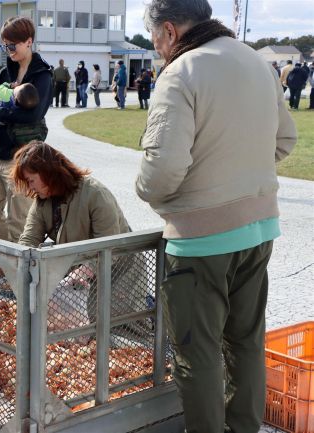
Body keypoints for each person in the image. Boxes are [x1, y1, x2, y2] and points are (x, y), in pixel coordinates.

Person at [135, 1, 297, 432]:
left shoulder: (181, 72)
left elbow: (161, 172)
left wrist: (152, 191)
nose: (155, 47)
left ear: (168, 30)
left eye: (154, 39)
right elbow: (285, 139)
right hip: (259, 228)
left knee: (197, 352)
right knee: (246, 341)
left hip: (201, 239)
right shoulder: (253, 59)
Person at [13, 141, 132, 323]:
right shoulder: (42, 201)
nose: (30, 188)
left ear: (48, 172)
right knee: (78, 323)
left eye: (31, 180)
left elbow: (110, 245)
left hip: (120, 267)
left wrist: (85, 270)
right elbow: (29, 238)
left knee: (119, 323)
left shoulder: (95, 193)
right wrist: (19, 265)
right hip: (82, 273)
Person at [0, 16, 52, 243]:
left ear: (28, 41)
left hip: (24, 157)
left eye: (12, 45)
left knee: (20, 217)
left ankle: (17, 272)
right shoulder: (3, 73)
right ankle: (7, 258)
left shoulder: (42, 75)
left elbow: (34, 114)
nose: (8, 50)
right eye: (5, 45)